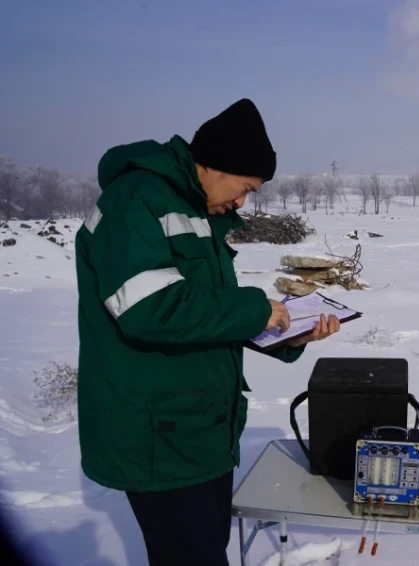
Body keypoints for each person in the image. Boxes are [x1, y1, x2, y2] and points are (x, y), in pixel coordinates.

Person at [74, 98, 339, 565]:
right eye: (245, 188)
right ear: (217, 164)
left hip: (199, 433)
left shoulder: (195, 210)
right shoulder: (136, 200)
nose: (241, 203)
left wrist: (285, 337)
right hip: (159, 436)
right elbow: (149, 310)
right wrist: (256, 308)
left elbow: (201, 315)